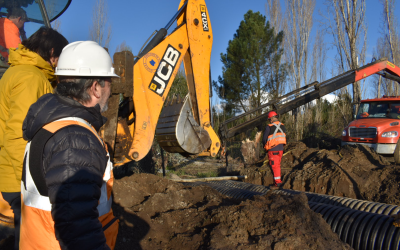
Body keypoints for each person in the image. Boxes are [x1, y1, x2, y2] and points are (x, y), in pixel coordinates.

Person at [20, 41, 120, 250]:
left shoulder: (52, 125)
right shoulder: (75, 138)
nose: (111, 91)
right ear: (95, 88)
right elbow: (77, 228)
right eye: (109, 83)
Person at [0, 27, 68, 249]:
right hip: (19, 179)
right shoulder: (30, 77)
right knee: (30, 239)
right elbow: (17, 135)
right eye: (59, 58)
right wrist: (34, 183)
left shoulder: (21, 71)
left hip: (14, 174)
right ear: (51, 53)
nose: (59, 65)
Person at [262, 111, 286, 190]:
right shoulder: (282, 126)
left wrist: (265, 147)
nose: (269, 121)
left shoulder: (269, 127)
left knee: (274, 166)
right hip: (281, 149)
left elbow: (264, 139)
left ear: (271, 119)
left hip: (273, 150)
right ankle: (276, 182)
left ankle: (277, 184)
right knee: (277, 166)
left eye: (269, 119)